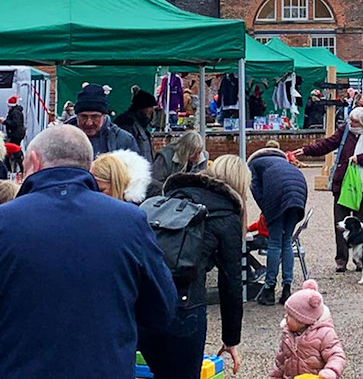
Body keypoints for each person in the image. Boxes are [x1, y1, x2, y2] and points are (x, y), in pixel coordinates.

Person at [0, 125, 176, 378]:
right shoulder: (129, 221)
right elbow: (162, 308)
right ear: (89, 166)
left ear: (34, 162)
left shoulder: (5, 221)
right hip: (103, 367)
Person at [139, 155, 248, 378]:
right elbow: (231, 282)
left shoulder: (169, 200)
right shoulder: (227, 216)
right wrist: (231, 339)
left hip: (145, 304)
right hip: (186, 308)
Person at [293, 107, 363, 272]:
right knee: (340, 222)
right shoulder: (345, 131)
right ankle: (341, 258)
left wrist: (359, 159)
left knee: (361, 222)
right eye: (351, 120)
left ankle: (361, 258)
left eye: (354, 121)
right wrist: (306, 150)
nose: (351, 123)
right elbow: (328, 144)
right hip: (342, 183)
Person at [247, 146, 308, 306]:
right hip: (299, 191)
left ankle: (269, 289)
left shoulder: (254, 165)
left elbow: (257, 191)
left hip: (278, 193)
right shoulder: (283, 163)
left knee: (274, 242)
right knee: (286, 241)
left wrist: (267, 212)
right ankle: (287, 288)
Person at [269, 279, 346, 379]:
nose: (285, 317)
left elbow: (337, 356)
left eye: (290, 315)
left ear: (303, 319)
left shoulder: (324, 334)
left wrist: (330, 372)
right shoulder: (287, 335)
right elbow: (280, 363)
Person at [68, 84, 140, 157]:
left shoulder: (124, 140)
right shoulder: (64, 138)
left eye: (95, 117)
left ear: (104, 116)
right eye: (83, 116)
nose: (89, 123)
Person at [150, 131, 208, 196]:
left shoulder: (202, 159)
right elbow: (154, 182)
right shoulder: (165, 157)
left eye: (199, 153)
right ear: (185, 151)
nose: (197, 157)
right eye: (193, 154)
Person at [115, 90, 158, 162]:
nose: (152, 111)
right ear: (144, 108)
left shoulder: (141, 125)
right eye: (150, 107)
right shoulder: (127, 123)